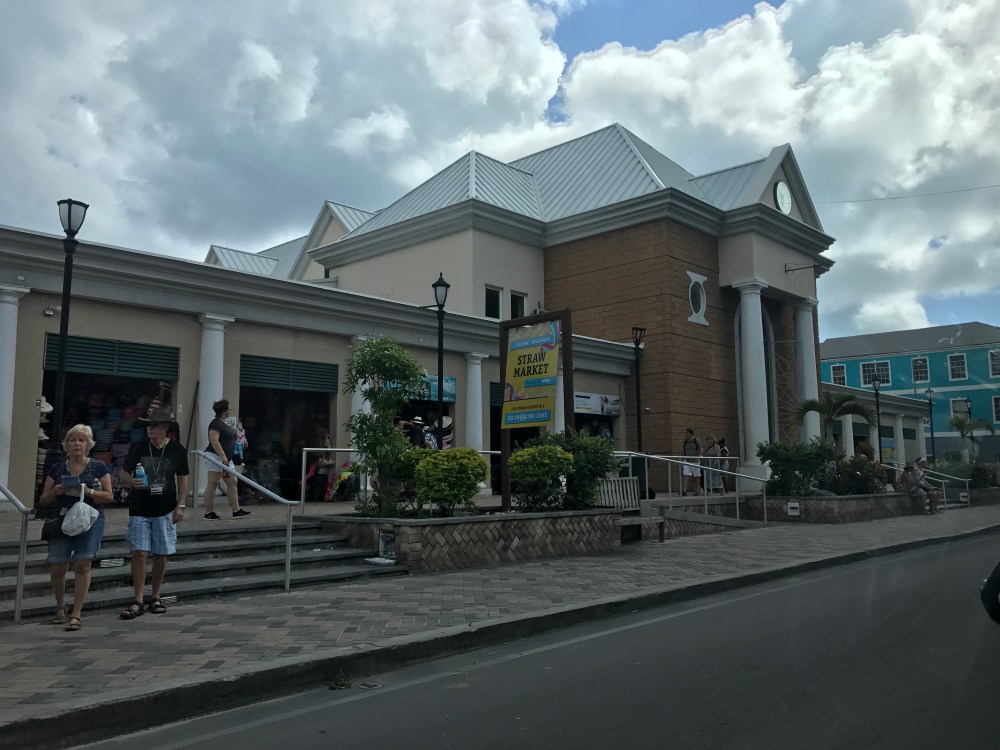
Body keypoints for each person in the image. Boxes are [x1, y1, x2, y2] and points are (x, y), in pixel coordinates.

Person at [37, 424, 113, 631]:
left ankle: (77, 612)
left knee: (83, 564)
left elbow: (108, 496)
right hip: (61, 518)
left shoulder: (98, 467)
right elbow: (43, 500)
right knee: (58, 566)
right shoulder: (58, 468)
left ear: (88, 445)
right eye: (73, 440)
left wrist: (87, 491)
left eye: (81, 440)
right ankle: (61, 606)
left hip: (89, 520)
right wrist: (57, 491)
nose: (77, 444)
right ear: (66, 445)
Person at [119, 408, 190, 619]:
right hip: (140, 506)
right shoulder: (139, 447)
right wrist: (132, 481)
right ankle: (138, 598)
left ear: (165, 429)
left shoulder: (177, 449)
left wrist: (181, 505)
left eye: (154, 425)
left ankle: (156, 596)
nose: (149, 429)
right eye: (148, 426)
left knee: (161, 552)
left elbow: (183, 478)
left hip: (166, 507)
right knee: (139, 552)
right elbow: (123, 473)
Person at [203, 399, 251, 519]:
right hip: (215, 457)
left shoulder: (225, 423)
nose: (230, 411)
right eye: (229, 409)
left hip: (226, 459)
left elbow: (231, 438)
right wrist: (223, 456)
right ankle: (208, 512)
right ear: (224, 411)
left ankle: (236, 510)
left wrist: (242, 440)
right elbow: (214, 440)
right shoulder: (215, 423)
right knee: (213, 483)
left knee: (232, 482)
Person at [681, 427, 702, 496]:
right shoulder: (685, 441)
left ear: (690, 434)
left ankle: (698, 490)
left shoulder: (696, 440)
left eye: (686, 433)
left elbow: (701, 449)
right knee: (685, 474)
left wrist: (698, 457)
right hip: (687, 460)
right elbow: (684, 450)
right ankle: (684, 490)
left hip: (695, 461)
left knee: (696, 476)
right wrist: (683, 458)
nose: (685, 434)